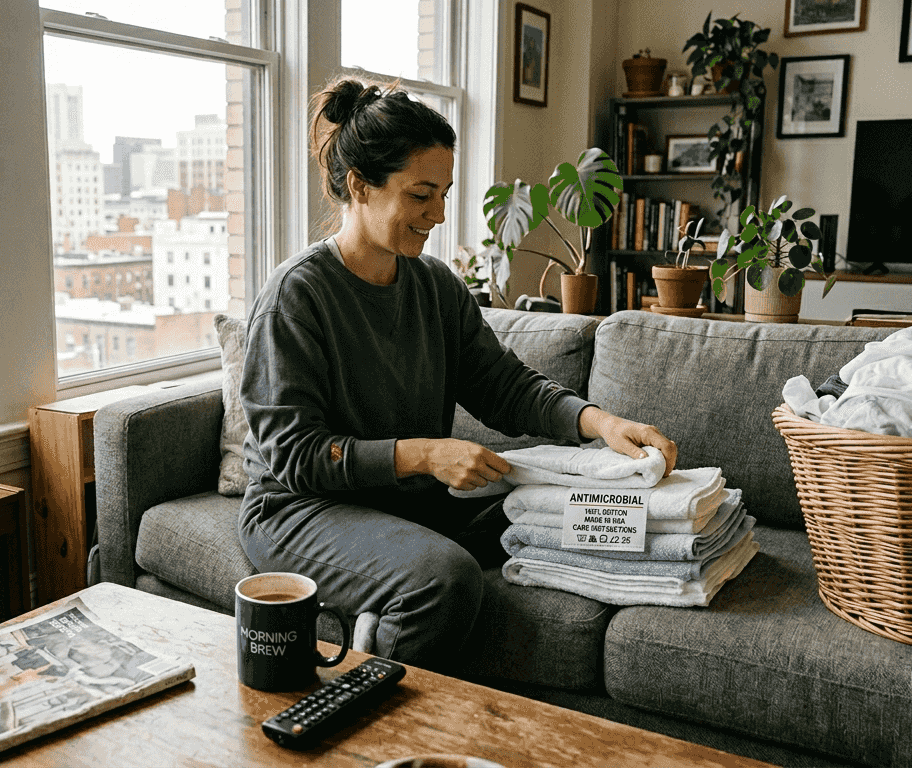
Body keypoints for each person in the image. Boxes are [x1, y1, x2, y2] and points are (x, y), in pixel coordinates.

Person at [238, 77, 677, 669]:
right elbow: (295, 456)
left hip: (404, 502)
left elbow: (503, 386)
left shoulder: (434, 285)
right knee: (444, 580)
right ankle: (370, 717)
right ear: (359, 185)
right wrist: (424, 455)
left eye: (444, 194)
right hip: (298, 508)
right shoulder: (297, 295)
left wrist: (600, 423)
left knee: (584, 512)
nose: (439, 215)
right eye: (421, 195)